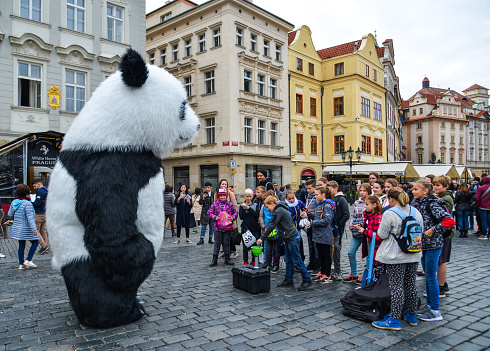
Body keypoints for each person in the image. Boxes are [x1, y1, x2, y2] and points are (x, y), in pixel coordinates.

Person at [372, 187, 423, 330]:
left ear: (391, 199)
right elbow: (422, 230)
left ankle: (394, 319)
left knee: (396, 287)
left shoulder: (390, 213)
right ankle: (412, 315)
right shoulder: (415, 211)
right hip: (414, 253)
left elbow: (382, 234)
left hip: (396, 255)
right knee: (411, 284)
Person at [412, 180, 455, 322]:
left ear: (425, 191)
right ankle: (430, 306)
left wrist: (432, 230)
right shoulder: (417, 203)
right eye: (412, 189)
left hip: (433, 244)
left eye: (416, 189)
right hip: (424, 245)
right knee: (429, 276)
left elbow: (449, 221)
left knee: (431, 277)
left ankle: (435, 310)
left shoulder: (432, 203)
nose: (413, 191)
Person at [256, 196, 312, 291]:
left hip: (292, 238)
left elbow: (271, 225)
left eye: (268, 207)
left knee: (297, 260)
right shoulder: (279, 210)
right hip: (288, 238)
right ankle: (288, 280)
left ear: (272, 204)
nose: (268, 209)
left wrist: (261, 238)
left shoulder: (279, 211)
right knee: (288, 260)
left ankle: (307, 280)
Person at [305, 186, 334, 284]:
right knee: (320, 255)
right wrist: (309, 216)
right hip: (318, 234)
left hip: (325, 234)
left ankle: (327, 274)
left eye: (317, 194)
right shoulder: (319, 205)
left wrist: (312, 223)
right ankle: (322, 272)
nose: (316, 196)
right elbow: (318, 218)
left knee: (326, 255)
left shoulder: (327, 206)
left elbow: (327, 220)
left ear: (323, 195)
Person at [345, 183, 372, 283]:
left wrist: (363, 225)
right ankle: (354, 274)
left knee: (368, 255)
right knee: (350, 252)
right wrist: (351, 225)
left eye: (364, 191)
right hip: (356, 231)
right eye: (360, 190)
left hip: (366, 231)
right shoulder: (357, 202)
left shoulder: (372, 201)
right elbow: (353, 215)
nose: (362, 192)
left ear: (368, 191)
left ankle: (366, 275)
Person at [353, 195, 384, 282]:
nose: (365, 206)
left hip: (377, 251)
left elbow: (379, 236)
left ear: (374, 205)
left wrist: (364, 231)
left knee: (377, 274)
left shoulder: (378, 218)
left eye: (367, 204)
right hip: (370, 248)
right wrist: (359, 226)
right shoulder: (368, 216)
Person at [433, 175, 455, 297]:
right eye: (434, 185)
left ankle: (441, 287)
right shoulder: (442, 196)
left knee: (441, 260)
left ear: (446, 186)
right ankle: (443, 284)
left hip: (445, 232)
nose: (435, 188)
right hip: (444, 231)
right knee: (440, 259)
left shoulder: (445, 198)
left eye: (438, 185)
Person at [9, 184, 39, 270]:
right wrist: (34, 229)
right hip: (26, 228)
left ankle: (21, 264)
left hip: (17, 228)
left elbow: (10, 214)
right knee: (35, 242)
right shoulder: (27, 204)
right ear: (27, 194)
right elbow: (30, 218)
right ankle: (28, 260)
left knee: (21, 245)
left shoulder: (14, 202)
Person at [208, 187, 238, 266]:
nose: (222, 197)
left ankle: (227, 259)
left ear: (226, 196)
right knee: (217, 243)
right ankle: (214, 259)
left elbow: (235, 212)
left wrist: (232, 217)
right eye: (221, 196)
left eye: (224, 196)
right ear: (218, 196)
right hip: (217, 227)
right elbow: (209, 213)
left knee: (226, 243)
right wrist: (215, 217)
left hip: (227, 227)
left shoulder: (229, 203)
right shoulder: (215, 204)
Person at [326, 180, 350, 281]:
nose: (329, 190)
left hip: (337, 229)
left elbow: (346, 214)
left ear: (335, 188)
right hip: (328, 229)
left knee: (336, 248)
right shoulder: (328, 199)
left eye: (330, 188)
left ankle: (337, 270)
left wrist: (338, 225)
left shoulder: (341, 199)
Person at [214, 179, 238, 257]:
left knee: (230, 236)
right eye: (222, 184)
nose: (224, 185)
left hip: (229, 218)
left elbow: (234, 205)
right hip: (220, 219)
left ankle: (233, 251)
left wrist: (231, 216)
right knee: (221, 236)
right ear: (220, 185)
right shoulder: (216, 194)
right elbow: (214, 205)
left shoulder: (230, 193)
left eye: (225, 184)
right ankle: (225, 251)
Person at [301, 179, 320, 274]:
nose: (308, 190)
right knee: (310, 245)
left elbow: (317, 211)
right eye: (307, 188)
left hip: (314, 223)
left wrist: (308, 215)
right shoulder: (308, 196)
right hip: (308, 223)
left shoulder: (316, 198)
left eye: (310, 188)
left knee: (315, 246)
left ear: (314, 187)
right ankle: (311, 263)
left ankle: (316, 265)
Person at [259, 190, 281, 272]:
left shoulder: (278, 207)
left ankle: (276, 265)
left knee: (277, 249)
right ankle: (268, 264)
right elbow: (261, 216)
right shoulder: (264, 207)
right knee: (268, 249)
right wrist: (263, 227)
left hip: (277, 231)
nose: (267, 209)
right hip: (267, 230)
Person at [284, 190, 306, 262]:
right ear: (286, 198)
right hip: (289, 228)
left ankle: (298, 261)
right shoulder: (285, 205)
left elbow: (305, 208)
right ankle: (291, 261)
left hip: (298, 227)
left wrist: (304, 212)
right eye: (289, 199)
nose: (291, 200)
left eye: (292, 198)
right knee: (291, 245)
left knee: (298, 245)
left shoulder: (298, 202)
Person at [239, 188, 260, 265]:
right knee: (245, 246)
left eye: (250, 196)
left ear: (252, 196)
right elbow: (241, 217)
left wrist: (249, 209)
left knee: (254, 245)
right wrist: (244, 209)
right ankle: (245, 261)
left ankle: (254, 261)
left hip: (253, 227)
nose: (248, 198)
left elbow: (256, 215)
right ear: (244, 196)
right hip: (245, 228)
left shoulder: (255, 205)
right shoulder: (242, 206)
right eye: (247, 196)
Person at [32, 179, 49, 254]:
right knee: (43, 230)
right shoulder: (47, 190)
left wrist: (31, 203)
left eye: (34, 186)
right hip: (46, 212)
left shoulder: (40, 191)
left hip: (39, 213)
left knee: (36, 229)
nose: (34, 188)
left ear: (38, 184)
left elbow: (37, 203)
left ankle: (43, 245)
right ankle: (45, 246)